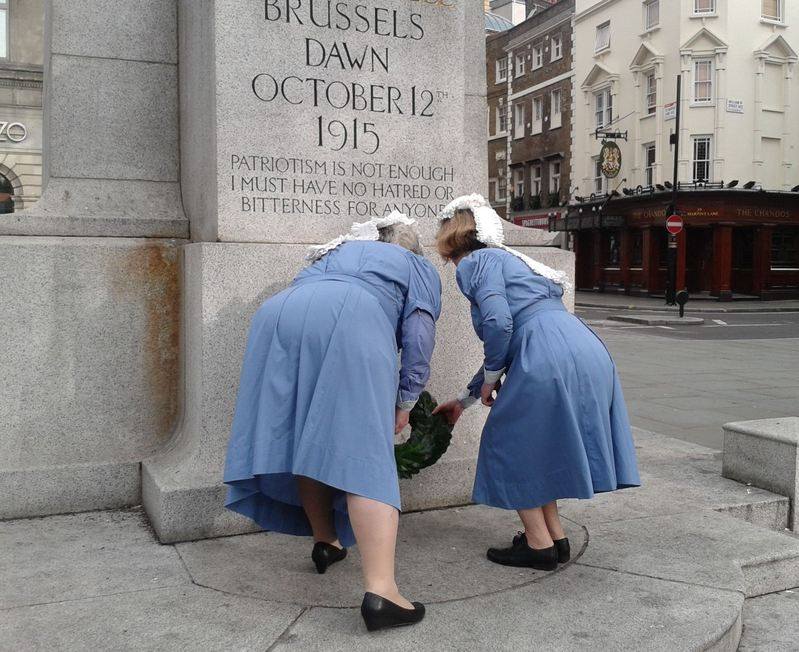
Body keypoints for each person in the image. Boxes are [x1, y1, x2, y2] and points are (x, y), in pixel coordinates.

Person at [223, 213, 441, 631]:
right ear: (410, 246)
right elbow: (418, 334)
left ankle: (326, 541)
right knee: (364, 456)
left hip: (278, 315)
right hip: (352, 317)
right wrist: (407, 398)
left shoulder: (335, 253)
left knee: (309, 437)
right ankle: (382, 593)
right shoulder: (415, 265)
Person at [433, 195, 640, 570]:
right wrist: (463, 400)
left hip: (544, 353)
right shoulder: (513, 261)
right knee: (539, 443)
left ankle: (538, 544)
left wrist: (492, 378)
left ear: (454, 241)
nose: (448, 262)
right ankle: (555, 537)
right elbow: (514, 333)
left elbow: (498, 324)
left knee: (508, 442)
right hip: (580, 344)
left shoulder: (475, 262)